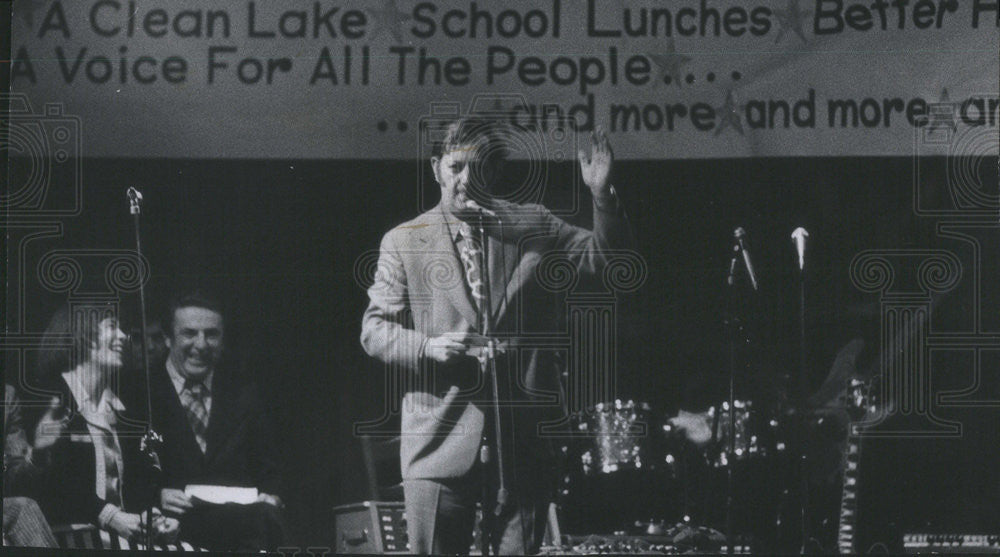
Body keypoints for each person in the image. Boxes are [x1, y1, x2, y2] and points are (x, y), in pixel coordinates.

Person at [361, 119, 632, 554]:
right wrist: (428, 347)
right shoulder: (403, 240)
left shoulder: (533, 223)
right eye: (456, 167)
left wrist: (601, 196)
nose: (466, 180)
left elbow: (606, 261)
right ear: (436, 169)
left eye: (479, 168)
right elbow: (374, 330)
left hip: (523, 440)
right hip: (439, 441)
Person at [28, 306, 178, 545]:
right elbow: (52, 486)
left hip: (114, 539)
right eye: (111, 326)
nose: (122, 336)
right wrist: (111, 516)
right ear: (79, 335)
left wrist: (152, 518)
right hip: (62, 537)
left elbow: (135, 487)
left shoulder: (124, 408)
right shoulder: (45, 399)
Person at [150, 292, 285, 551]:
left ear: (222, 341)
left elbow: (270, 471)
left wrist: (273, 496)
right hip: (168, 539)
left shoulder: (244, 395)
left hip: (239, 540)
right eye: (189, 333)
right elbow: (125, 476)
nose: (201, 345)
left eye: (211, 334)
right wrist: (157, 496)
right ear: (168, 338)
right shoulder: (141, 393)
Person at [3, 384, 58, 547]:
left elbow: (14, 474)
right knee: (22, 508)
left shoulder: (6, 395)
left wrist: (37, 454)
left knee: (23, 507)